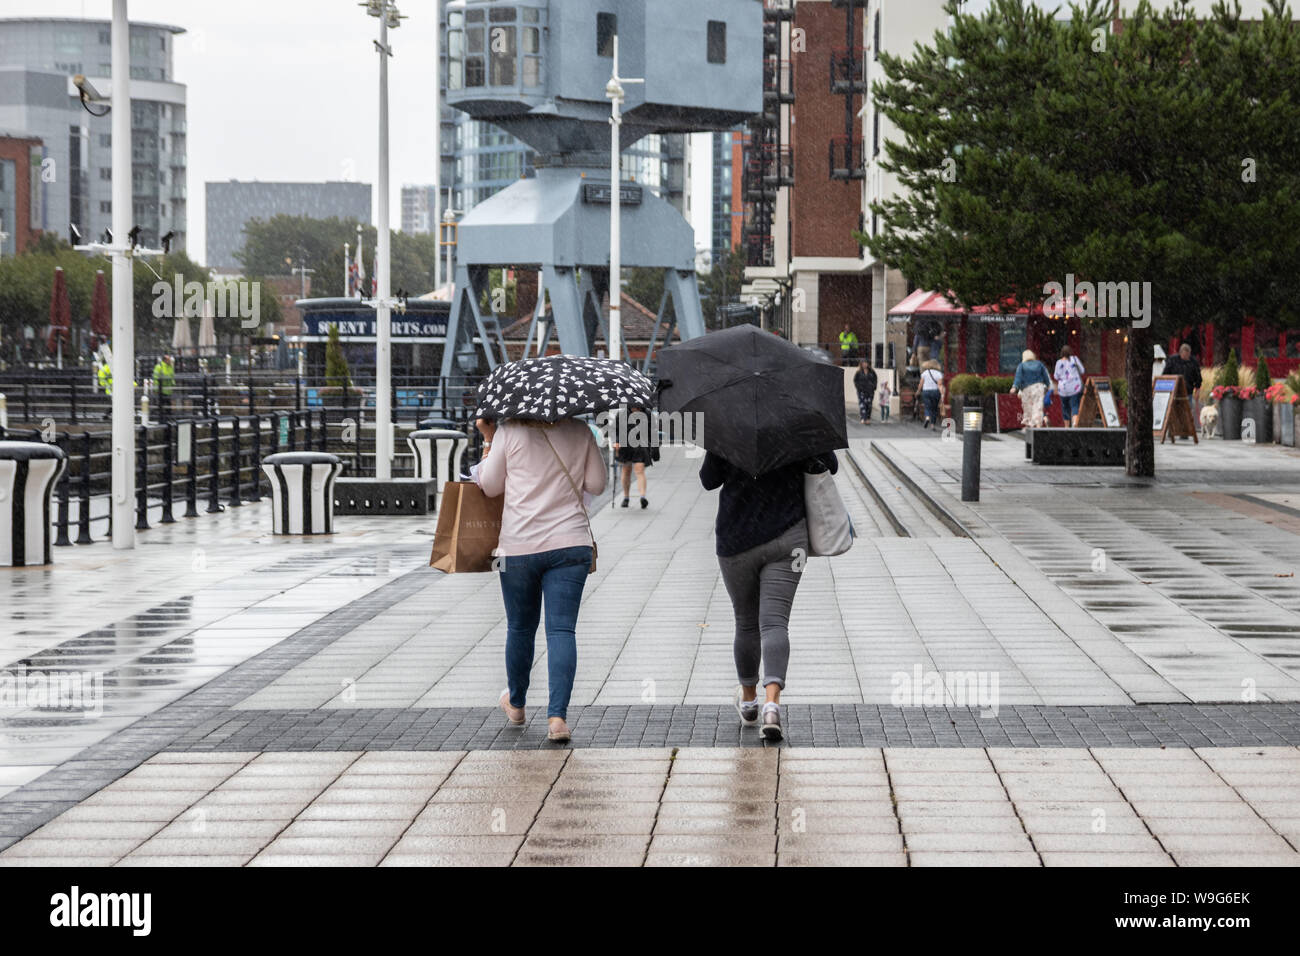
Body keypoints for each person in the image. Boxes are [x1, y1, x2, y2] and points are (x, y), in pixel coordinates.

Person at [475, 415, 607, 744]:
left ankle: (517, 704)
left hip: (518, 547)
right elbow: (597, 484)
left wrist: (489, 439)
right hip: (570, 544)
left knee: (520, 627)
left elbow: (489, 485)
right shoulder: (580, 430)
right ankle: (558, 718)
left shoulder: (509, 430)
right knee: (562, 630)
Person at [701, 448, 838, 741]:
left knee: (746, 621)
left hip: (736, 540)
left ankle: (749, 702)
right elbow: (830, 465)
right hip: (789, 537)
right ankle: (772, 706)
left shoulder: (726, 420)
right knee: (775, 623)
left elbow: (708, 480)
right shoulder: (797, 415)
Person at [612, 405, 653, 509]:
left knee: (639, 470)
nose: (635, 408)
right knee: (626, 471)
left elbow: (652, 431)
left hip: (640, 446)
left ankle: (643, 497)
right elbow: (615, 430)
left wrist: (654, 449)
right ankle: (626, 497)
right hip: (625, 446)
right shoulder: (621, 414)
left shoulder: (647, 413)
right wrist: (616, 442)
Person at [1010, 349, 1053, 429]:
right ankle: (1038, 425)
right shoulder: (1039, 364)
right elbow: (1045, 376)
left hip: (1027, 389)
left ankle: (1029, 425)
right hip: (1038, 387)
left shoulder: (1021, 365)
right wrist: (1048, 385)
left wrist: (1014, 387)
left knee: (1027, 407)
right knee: (1038, 407)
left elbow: (1018, 378)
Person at [1053, 346, 1086, 427]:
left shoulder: (1058, 362)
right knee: (1075, 405)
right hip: (1074, 387)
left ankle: (1066, 427)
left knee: (1065, 407)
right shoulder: (1074, 359)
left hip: (1063, 389)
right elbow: (1082, 370)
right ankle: (1075, 422)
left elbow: (1056, 376)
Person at [920, 360, 945, 429]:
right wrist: (942, 394)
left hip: (926, 391)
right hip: (935, 392)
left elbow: (921, 384)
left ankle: (927, 418)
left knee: (927, 406)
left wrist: (918, 390)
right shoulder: (939, 374)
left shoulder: (924, 373)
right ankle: (932, 425)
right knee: (934, 408)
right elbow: (940, 385)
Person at [853, 360, 878, 424]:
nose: (864, 364)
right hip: (861, 391)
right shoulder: (858, 372)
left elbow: (875, 379)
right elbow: (855, 380)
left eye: (865, 363)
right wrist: (859, 387)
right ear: (861, 364)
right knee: (862, 404)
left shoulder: (872, 372)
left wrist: (874, 387)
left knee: (869, 405)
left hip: (870, 391)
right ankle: (863, 418)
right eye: (863, 363)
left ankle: (867, 418)